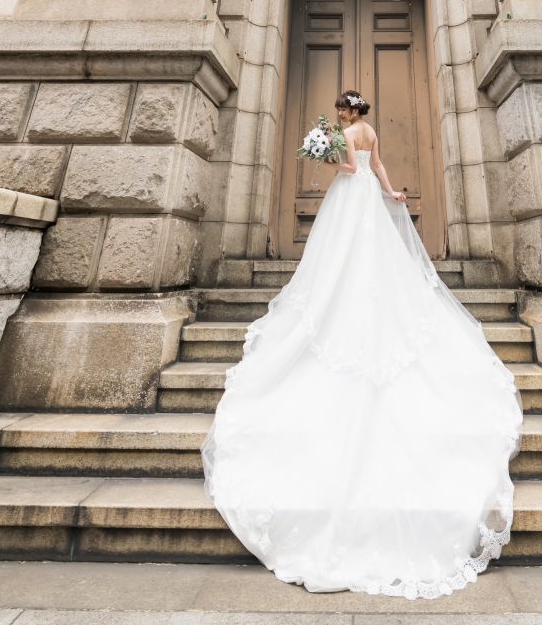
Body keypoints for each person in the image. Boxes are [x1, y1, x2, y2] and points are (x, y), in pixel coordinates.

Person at [202, 90, 523, 599]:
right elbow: (376, 166)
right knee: (370, 261)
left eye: (342, 112)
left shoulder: (346, 136)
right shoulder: (370, 133)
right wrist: (393, 193)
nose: (342, 118)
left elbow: (352, 171)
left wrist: (327, 158)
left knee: (341, 262)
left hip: (353, 200)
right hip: (372, 201)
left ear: (349, 113)